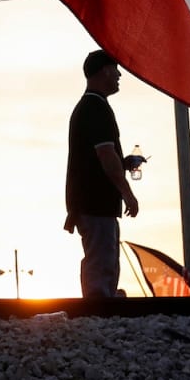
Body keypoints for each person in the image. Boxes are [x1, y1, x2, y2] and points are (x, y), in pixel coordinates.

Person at [64, 49, 138, 298]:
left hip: (91, 203)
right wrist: (128, 193)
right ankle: (98, 310)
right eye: (115, 69)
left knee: (104, 260)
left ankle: (101, 306)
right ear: (104, 70)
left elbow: (101, 158)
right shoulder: (95, 108)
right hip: (95, 203)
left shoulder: (92, 107)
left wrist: (124, 163)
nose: (119, 75)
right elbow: (106, 157)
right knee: (101, 263)